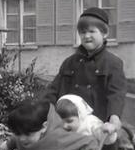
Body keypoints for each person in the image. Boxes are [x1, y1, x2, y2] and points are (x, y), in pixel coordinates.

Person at [41, 7, 126, 138]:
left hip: (99, 129)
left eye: (92, 31)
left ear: (105, 34)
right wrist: (38, 114)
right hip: (68, 130)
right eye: (82, 32)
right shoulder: (69, 62)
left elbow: (116, 94)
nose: (86, 36)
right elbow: (53, 91)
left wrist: (114, 118)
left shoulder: (113, 63)